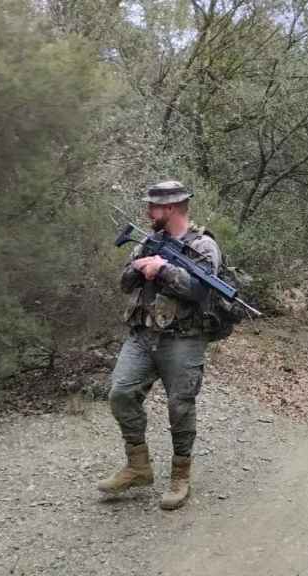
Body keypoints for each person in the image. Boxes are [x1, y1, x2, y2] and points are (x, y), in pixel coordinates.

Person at [97, 180, 222, 510]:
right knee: (121, 392)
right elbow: (125, 283)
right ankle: (138, 466)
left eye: (153, 207)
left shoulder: (204, 246)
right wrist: (141, 266)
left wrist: (163, 269)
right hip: (142, 335)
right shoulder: (150, 241)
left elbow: (200, 290)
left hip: (183, 339)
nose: (148, 212)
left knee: (180, 406)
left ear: (170, 209)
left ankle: (180, 476)